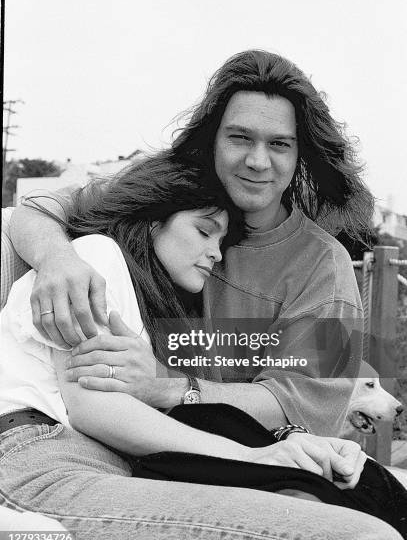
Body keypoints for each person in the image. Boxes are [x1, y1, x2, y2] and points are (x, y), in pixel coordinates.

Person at [4, 158, 406, 540]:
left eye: (222, 240)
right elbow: (95, 407)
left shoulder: (160, 307)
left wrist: (294, 445)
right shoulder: (94, 256)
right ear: (150, 220)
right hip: (41, 460)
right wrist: (257, 456)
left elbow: (301, 395)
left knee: (357, 514)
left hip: (107, 466)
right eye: (204, 231)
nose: (217, 253)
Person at [10, 50, 374, 436]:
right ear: (213, 140)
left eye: (279, 145)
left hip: (252, 460)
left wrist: (163, 385)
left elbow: (303, 405)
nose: (257, 160)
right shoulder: (176, 200)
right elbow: (35, 209)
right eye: (240, 138)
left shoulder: (325, 266)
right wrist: (58, 259)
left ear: (301, 154)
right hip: (109, 439)